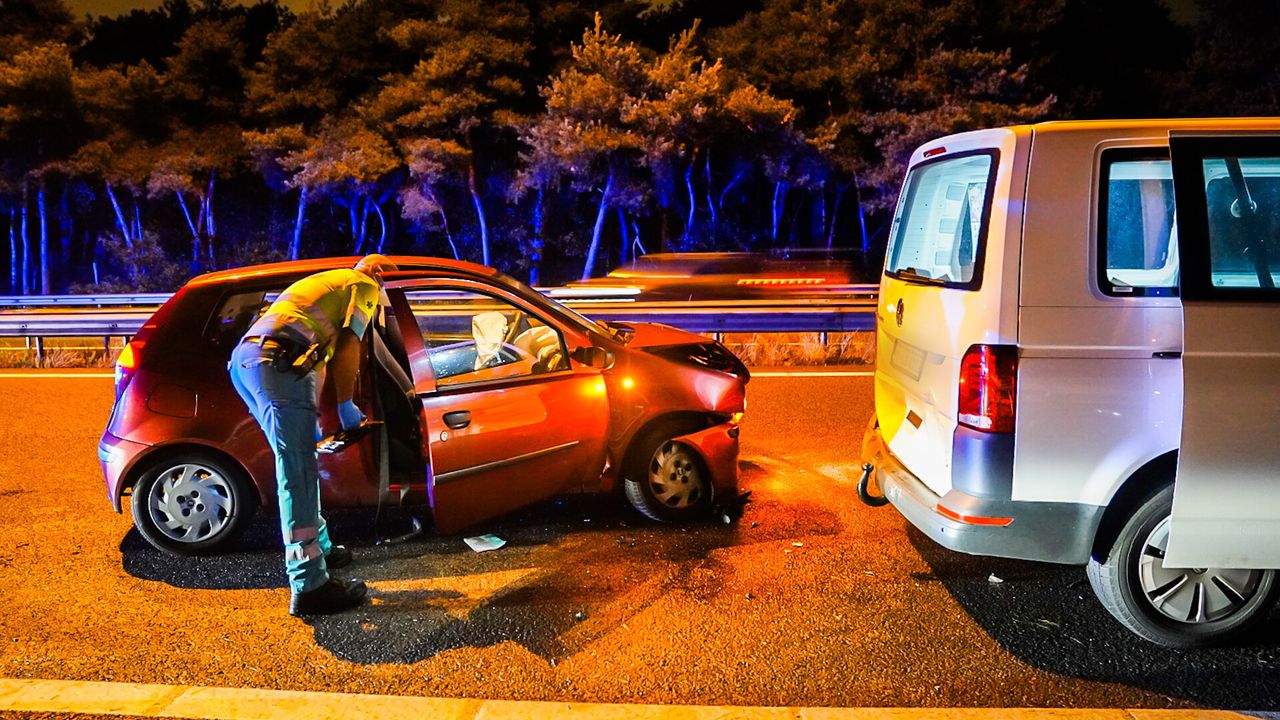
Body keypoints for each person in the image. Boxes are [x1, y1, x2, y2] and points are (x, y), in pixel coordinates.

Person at [228, 254, 399, 615]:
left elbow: (317, 359)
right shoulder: (363, 283)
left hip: (252, 362)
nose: (382, 296)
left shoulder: (325, 286)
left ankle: (320, 549)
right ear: (378, 273)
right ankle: (309, 585)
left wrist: (318, 415)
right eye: (387, 285)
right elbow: (350, 344)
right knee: (298, 474)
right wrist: (346, 405)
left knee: (300, 466)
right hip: (277, 361)